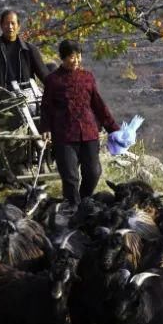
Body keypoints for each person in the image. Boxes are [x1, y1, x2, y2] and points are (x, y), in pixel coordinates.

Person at [39, 40, 120, 206]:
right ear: (62, 58)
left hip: (89, 133)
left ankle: (82, 201)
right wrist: (46, 128)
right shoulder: (53, 80)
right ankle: (72, 209)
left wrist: (113, 128)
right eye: (70, 57)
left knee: (94, 172)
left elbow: (98, 104)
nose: (75, 60)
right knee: (70, 177)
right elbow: (46, 107)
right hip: (64, 135)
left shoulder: (87, 77)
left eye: (78, 56)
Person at [0, 10, 49, 90]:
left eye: (13, 23)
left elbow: (45, 77)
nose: (10, 27)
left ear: (18, 26)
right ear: (1, 25)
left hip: (25, 99)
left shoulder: (29, 50)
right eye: (6, 23)